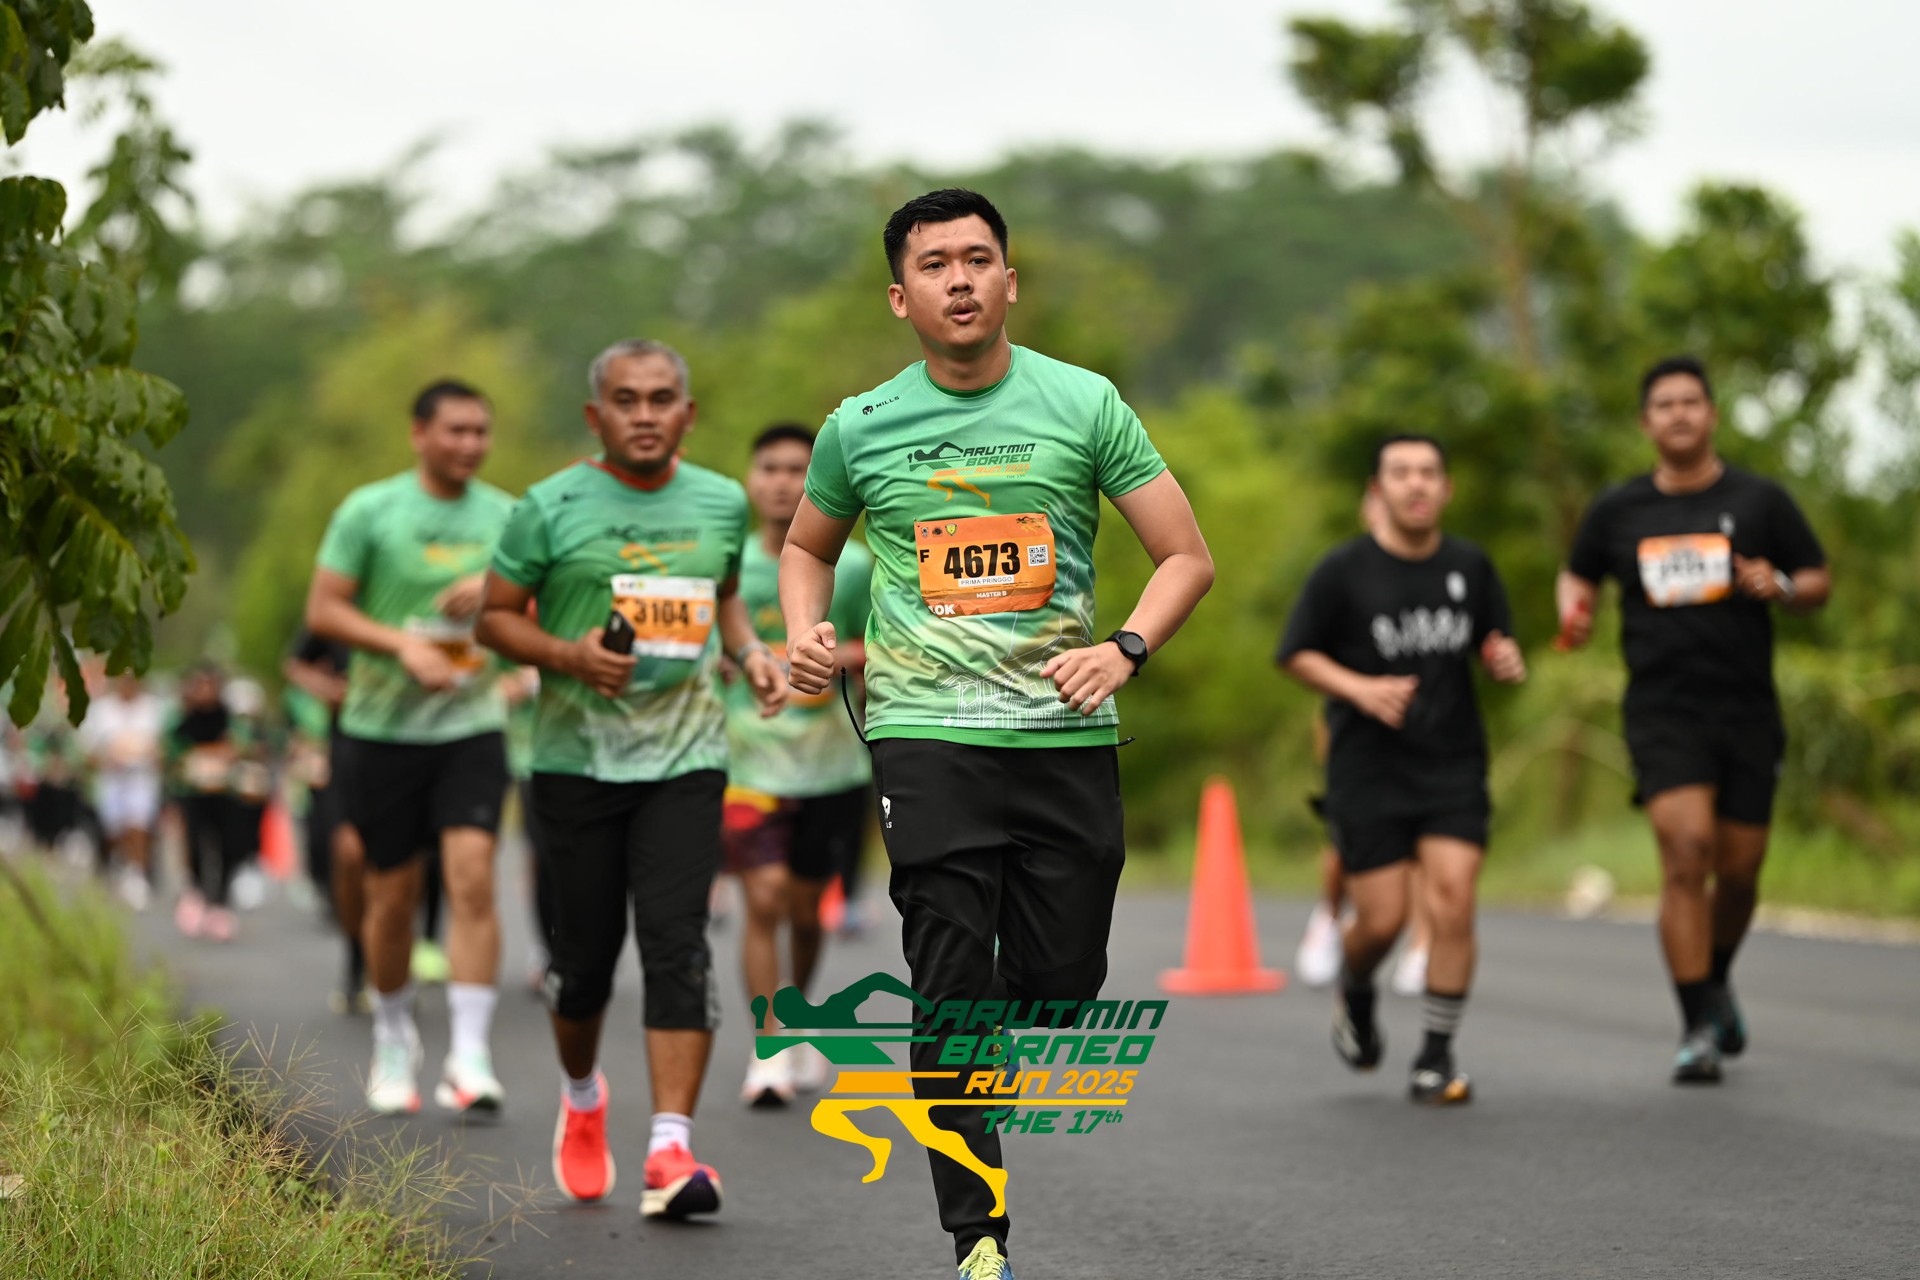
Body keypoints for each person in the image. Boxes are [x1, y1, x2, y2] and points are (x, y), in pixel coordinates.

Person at [780, 189, 1213, 1280]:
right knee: (946, 980)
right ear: (901, 297)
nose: (960, 279)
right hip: (927, 736)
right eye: (935, 264)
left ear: (1010, 282)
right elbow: (805, 548)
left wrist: (1125, 649)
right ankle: (978, 1236)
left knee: (1063, 985)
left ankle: (984, 1026)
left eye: (978, 259)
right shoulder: (860, 425)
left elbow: (1185, 556)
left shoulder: (1084, 402)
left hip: (1064, 732)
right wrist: (805, 632)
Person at [475, 338, 785, 1220]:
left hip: (687, 758)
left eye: (660, 399)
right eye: (626, 400)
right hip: (576, 763)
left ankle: (669, 1150)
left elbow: (725, 598)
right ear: (595, 414)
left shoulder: (720, 501)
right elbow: (494, 620)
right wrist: (567, 654)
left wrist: (751, 655)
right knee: (582, 966)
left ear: (687, 413)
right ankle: (582, 1098)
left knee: (678, 945)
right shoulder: (548, 506)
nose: (644, 415)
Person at [1556, 355, 1829, 1083]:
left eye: (1690, 402)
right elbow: (1578, 572)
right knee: (1686, 854)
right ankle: (1697, 1026)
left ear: (1712, 415)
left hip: (1745, 709)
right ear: (1645, 422)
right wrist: (1574, 612)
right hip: (1662, 711)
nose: (1678, 414)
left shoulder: (1760, 500)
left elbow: (1816, 579)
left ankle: (1715, 978)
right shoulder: (1618, 509)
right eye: (1664, 404)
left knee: (1738, 873)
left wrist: (1779, 584)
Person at [1279, 434, 1526, 1104]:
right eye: (1401, 473)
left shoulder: (1470, 566)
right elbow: (1296, 653)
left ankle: (1436, 1058)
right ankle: (1356, 987)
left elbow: (1495, 640)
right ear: (1378, 489)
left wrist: (1503, 658)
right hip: (1368, 769)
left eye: (1428, 472)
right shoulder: (1343, 571)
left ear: (1446, 488)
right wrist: (1359, 689)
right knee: (1382, 921)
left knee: (1453, 901)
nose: (1416, 484)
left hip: (1452, 762)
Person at [305, 378, 515, 1117]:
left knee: (473, 877)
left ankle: (470, 1055)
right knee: (392, 896)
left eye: (481, 431)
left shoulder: (507, 516)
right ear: (418, 433)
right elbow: (323, 610)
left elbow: (540, 602)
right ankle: (394, 1037)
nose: (470, 444)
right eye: (456, 430)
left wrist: (492, 588)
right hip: (382, 730)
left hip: (472, 724)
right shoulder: (370, 510)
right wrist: (402, 646)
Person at [722, 422, 875, 1107]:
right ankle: (769, 1045)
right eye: (770, 468)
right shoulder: (727, 568)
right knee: (762, 898)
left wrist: (824, 659)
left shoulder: (858, 566)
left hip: (833, 767)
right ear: (751, 479)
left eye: (797, 469)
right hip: (747, 766)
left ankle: (797, 1017)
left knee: (808, 913)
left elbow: (888, 649)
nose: (783, 482)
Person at [1294, 493, 1434, 994]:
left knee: (1425, 840)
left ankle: (1422, 944)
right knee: (1346, 842)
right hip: (1355, 731)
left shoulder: (1434, 569)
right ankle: (1330, 915)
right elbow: (1306, 651)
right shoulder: (1344, 574)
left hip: (1425, 728)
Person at [284, 629, 372, 1012]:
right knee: (349, 856)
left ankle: (392, 973)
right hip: (348, 752)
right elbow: (294, 664)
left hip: (406, 750)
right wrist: (329, 690)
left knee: (400, 871)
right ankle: (356, 961)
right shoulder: (339, 613)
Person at [164, 663, 243, 942]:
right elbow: (171, 751)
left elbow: (242, 745)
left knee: (226, 845)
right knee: (195, 842)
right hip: (192, 792)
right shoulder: (181, 720)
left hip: (224, 793)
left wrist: (226, 754)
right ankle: (196, 893)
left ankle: (220, 902)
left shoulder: (229, 718)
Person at [80, 671, 165, 910]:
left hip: (142, 779)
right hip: (111, 781)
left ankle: (137, 875)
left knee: (138, 825)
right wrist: (108, 759)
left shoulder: (152, 709)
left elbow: (161, 748)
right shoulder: (100, 711)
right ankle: (117, 864)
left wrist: (151, 756)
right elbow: (88, 754)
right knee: (114, 830)